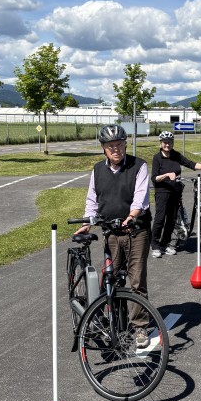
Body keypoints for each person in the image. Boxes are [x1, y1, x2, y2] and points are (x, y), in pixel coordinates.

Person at [75, 124, 152, 347]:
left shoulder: (139, 166)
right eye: (110, 146)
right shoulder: (98, 170)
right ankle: (115, 323)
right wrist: (88, 222)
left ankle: (140, 328)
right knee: (111, 278)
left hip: (136, 230)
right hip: (111, 231)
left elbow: (141, 198)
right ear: (103, 148)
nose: (115, 149)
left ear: (125, 144)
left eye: (119, 144)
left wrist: (132, 214)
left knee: (137, 281)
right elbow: (92, 200)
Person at [151, 130, 201, 258]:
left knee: (172, 219)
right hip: (162, 192)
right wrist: (166, 175)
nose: (167, 145)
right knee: (160, 218)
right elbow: (154, 178)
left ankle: (165, 244)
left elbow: (190, 164)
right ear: (160, 144)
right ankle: (155, 245)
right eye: (165, 142)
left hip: (176, 191)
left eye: (170, 142)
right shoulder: (157, 158)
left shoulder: (175, 155)